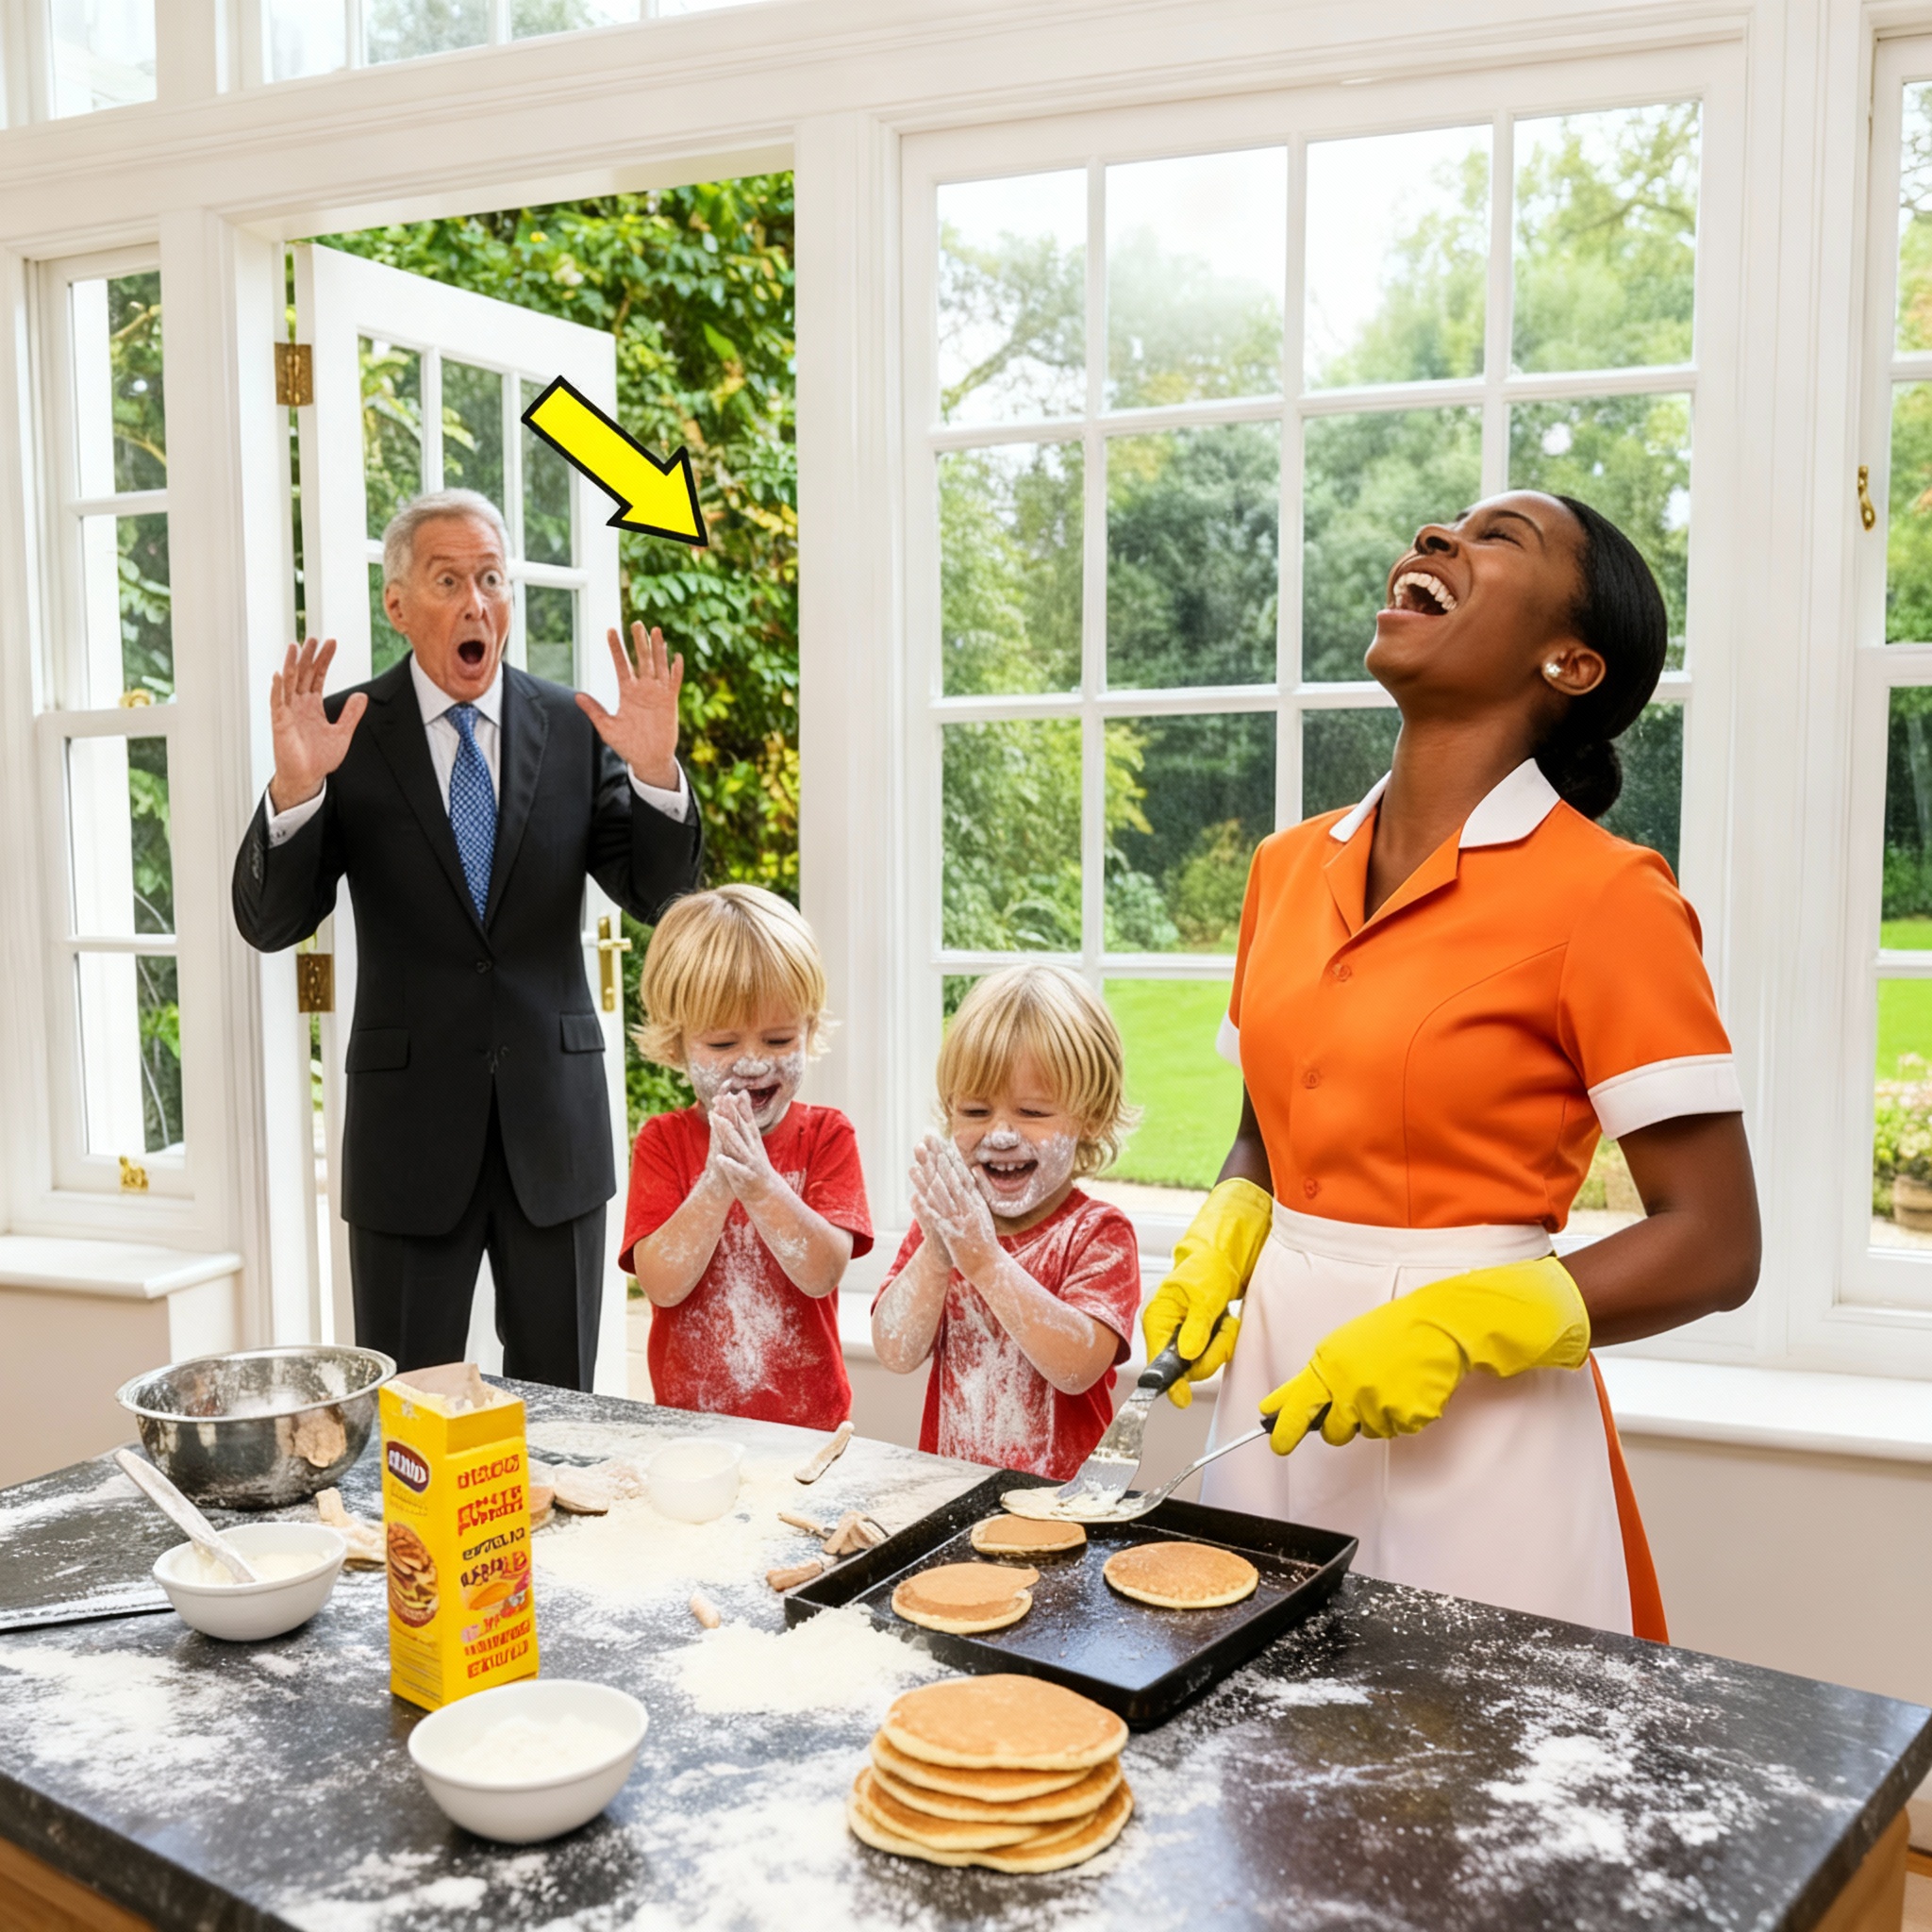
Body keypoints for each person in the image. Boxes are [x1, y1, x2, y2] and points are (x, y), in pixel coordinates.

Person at [1143, 492, 1760, 1640]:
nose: (1434, 539)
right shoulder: (1285, 867)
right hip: (1275, 1387)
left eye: (1495, 538)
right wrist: (1228, 1225)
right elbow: (1267, 1125)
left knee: (1468, 1784)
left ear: (1568, 662)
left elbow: (1716, 1243)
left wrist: (1456, 1324)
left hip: (1484, 1430)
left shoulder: (1607, 897)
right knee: (1256, 1765)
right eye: (1438, 527)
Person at [232, 488, 703, 1390]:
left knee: (563, 1413)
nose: (477, 601)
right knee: (414, 1417)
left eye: (492, 578)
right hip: (408, 1145)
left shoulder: (574, 727)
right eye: (450, 580)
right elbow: (272, 922)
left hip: (554, 1136)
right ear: (400, 605)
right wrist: (295, 792)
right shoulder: (343, 733)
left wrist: (653, 773)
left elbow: (659, 891)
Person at [872, 965, 1141, 1480]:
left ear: (1092, 1118)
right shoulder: (945, 1226)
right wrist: (935, 1252)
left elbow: (1076, 1368)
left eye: (1033, 1113)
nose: (999, 1135)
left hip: (1063, 1507)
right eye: (974, 1111)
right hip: (949, 1495)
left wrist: (985, 1261)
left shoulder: (1098, 1235)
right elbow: (896, 1352)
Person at [622, 886, 872, 1428]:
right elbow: (661, 1284)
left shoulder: (827, 1135)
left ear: (809, 1030)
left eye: (780, 1040)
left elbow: (823, 1272)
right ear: (677, 1044)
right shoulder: (663, 1142)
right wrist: (715, 1183)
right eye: (722, 1045)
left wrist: (761, 1185)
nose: (754, 1064)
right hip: (691, 1426)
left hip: (811, 1426)